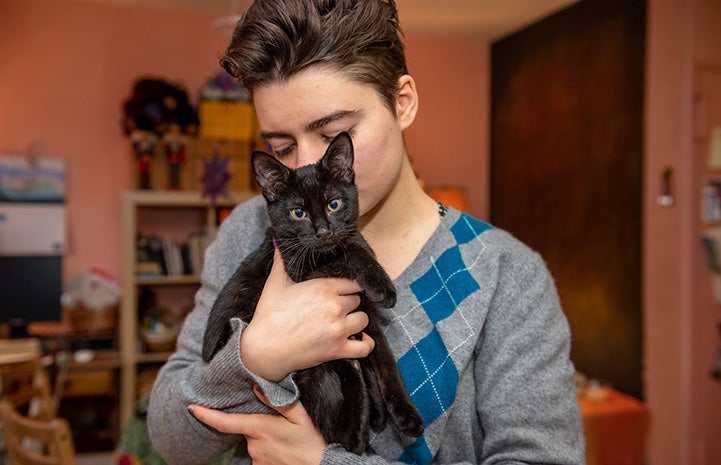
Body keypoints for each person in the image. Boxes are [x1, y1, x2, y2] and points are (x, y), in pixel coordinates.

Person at [147, 1, 585, 465]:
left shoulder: (507, 275)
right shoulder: (249, 229)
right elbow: (172, 441)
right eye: (282, 145)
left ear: (403, 103)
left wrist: (326, 462)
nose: (307, 166)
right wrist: (254, 357)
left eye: (333, 132)